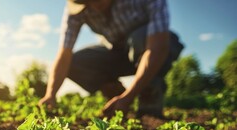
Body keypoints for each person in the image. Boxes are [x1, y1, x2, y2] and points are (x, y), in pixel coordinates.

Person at [38, 0, 184, 118]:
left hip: (153, 48)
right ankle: (116, 98)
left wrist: (129, 96)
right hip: (117, 52)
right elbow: (64, 54)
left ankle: (148, 99)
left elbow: (157, 49)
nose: (93, 6)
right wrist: (50, 94)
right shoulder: (79, 7)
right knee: (74, 63)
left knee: (140, 37)